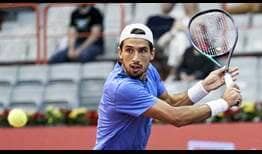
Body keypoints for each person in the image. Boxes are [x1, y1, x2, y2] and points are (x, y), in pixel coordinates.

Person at [94, 23, 242, 150]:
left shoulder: (149, 71)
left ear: (152, 54)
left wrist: (204, 86)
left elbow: (171, 103)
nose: (136, 58)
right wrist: (224, 102)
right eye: (129, 50)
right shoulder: (121, 87)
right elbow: (176, 117)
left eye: (142, 51)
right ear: (120, 53)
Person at [160, 3, 199, 82]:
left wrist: (184, 29)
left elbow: (198, 36)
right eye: (185, 4)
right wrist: (178, 28)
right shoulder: (180, 18)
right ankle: (174, 71)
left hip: (191, 44)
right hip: (175, 44)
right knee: (178, 38)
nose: (186, 5)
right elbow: (173, 30)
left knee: (180, 38)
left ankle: (173, 72)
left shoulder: (198, 18)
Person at [145, 3, 176, 80]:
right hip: (151, 42)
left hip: (165, 45)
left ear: (173, 6)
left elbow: (171, 34)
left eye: (169, 4)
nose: (166, 5)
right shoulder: (152, 19)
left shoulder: (172, 20)